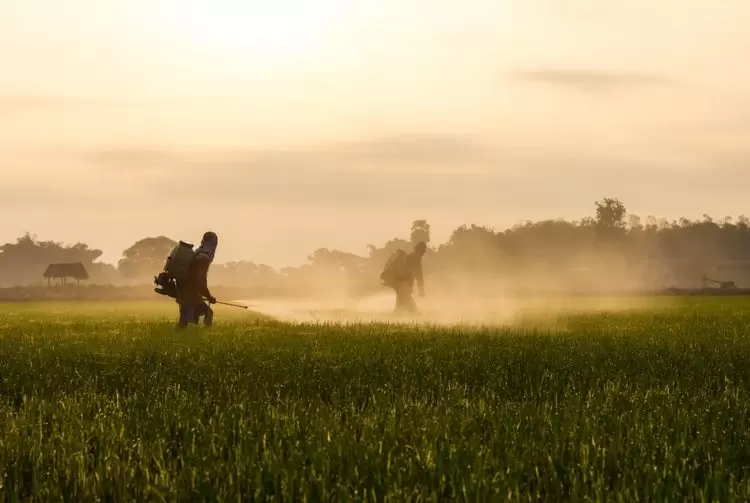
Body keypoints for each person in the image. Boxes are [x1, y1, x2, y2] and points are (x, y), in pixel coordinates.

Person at [176, 231, 218, 329]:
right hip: (190, 294)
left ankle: (202, 337)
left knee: (207, 313)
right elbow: (200, 280)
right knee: (186, 322)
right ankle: (195, 338)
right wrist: (209, 296)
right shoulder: (203, 257)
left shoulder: (198, 252)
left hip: (185, 290)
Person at [393, 241, 427, 314]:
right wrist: (421, 290)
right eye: (423, 250)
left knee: (400, 305)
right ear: (419, 250)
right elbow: (419, 275)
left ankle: (396, 316)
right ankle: (414, 315)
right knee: (410, 306)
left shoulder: (409, 256)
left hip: (400, 284)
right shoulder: (416, 258)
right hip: (404, 284)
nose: (424, 252)